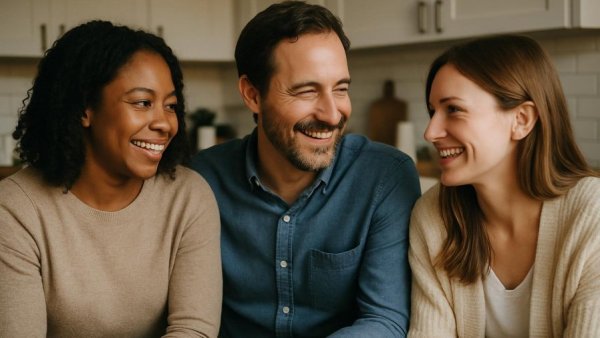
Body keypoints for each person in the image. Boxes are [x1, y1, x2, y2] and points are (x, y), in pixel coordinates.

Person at [190, 1, 421, 336]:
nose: (332, 114)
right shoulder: (202, 181)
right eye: (307, 91)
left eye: (341, 89)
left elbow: (384, 321)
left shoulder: (384, 177)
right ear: (252, 95)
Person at [0, 20, 222, 337]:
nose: (164, 123)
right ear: (85, 108)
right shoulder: (15, 209)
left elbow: (194, 329)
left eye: (171, 105)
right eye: (143, 102)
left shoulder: (188, 197)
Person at [408, 34, 600, 337]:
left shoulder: (592, 215)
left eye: (453, 109)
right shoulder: (433, 217)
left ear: (522, 120)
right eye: (433, 112)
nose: (431, 132)